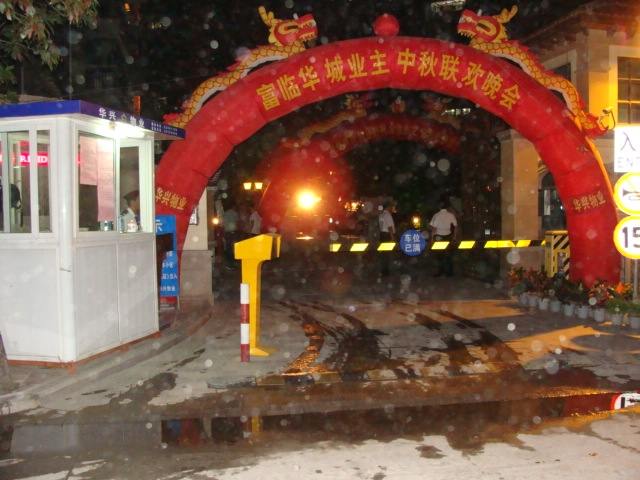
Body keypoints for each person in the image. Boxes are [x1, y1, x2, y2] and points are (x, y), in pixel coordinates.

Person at [429, 201, 458, 277]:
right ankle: (450, 273)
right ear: (447, 208)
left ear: (439, 207)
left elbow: (434, 228)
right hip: (448, 236)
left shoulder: (436, 215)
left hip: (439, 237)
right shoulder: (451, 215)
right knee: (449, 255)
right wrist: (454, 237)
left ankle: (440, 272)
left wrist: (431, 239)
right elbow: (456, 226)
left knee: (440, 256)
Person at [378, 202, 396, 276]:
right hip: (387, 236)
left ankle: (383, 271)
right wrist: (392, 238)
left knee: (383, 254)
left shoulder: (381, 214)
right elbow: (390, 227)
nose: (392, 208)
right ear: (388, 207)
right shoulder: (387, 215)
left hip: (382, 235)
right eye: (391, 207)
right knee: (387, 254)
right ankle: (386, 271)